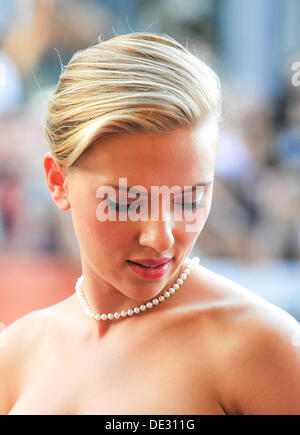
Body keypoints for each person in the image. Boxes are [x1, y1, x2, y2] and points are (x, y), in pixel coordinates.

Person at [1, 32, 300, 415]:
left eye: (190, 199)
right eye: (126, 202)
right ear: (58, 183)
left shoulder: (262, 347)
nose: (160, 237)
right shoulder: (20, 352)